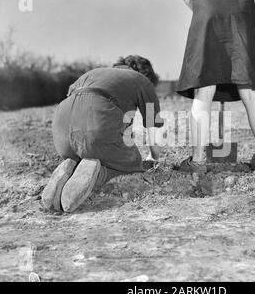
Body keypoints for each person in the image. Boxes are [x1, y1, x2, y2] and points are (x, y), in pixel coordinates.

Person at [41, 55, 164, 213]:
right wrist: (154, 156)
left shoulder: (92, 74)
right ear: (147, 74)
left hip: (61, 132)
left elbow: (76, 105)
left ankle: (72, 164)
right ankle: (99, 173)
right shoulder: (141, 80)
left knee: (92, 147)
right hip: (97, 124)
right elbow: (153, 126)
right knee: (132, 162)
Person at [176, 0, 255, 173]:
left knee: (203, 89)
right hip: (241, 4)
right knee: (250, 89)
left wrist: (208, 6)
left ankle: (197, 161)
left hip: (207, 4)